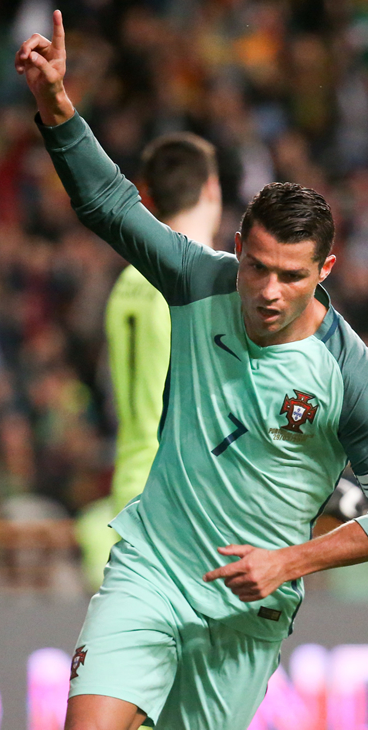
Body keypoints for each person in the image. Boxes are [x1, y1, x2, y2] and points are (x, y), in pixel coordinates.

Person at [16, 12, 368, 730]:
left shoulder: (351, 373)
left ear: (324, 271)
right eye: (257, 266)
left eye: (291, 276)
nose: (268, 291)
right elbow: (109, 203)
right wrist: (56, 103)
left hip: (247, 613)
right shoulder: (197, 280)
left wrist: (287, 562)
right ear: (237, 246)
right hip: (153, 567)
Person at [75, 132, 221, 591]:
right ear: (212, 189)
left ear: (150, 195)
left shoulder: (126, 282)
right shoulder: (209, 284)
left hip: (130, 488)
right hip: (188, 502)